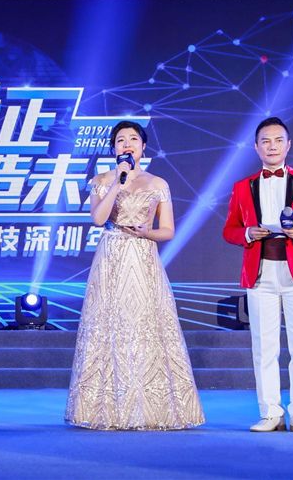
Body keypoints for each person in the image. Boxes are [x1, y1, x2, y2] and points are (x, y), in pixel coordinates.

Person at [65, 120, 204, 430]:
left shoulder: (158, 183)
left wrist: (147, 232)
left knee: (145, 325)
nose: (126, 144)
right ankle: (103, 409)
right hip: (111, 256)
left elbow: (167, 230)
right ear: (113, 148)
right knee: (107, 324)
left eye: (132, 139)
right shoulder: (102, 180)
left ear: (143, 146)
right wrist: (118, 182)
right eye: (120, 140)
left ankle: (152, 408)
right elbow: (98, 219)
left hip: (142, 256)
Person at [223, 117, 293, 434]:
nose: (272, 146)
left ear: (288, 144)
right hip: (261, 272)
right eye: (266, 141)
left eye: (278, 140)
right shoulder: (242, 187)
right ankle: (270, 412)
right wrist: (247, 233)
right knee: (264, 346)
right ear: (256, 147)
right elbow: (229, 230)